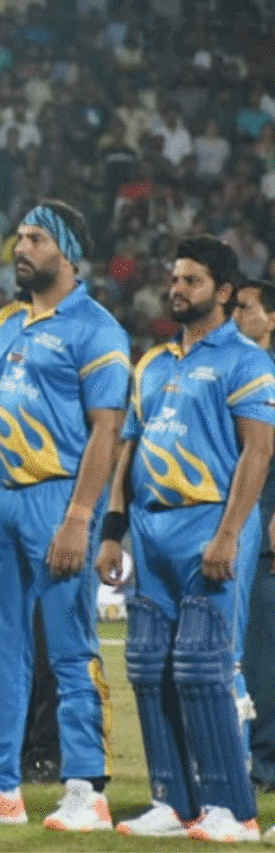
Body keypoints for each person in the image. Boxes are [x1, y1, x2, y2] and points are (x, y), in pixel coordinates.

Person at [0, 200, 130, 829]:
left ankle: (86, 785)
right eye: (19, 236)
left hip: (57, 497)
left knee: (70, 647)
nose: (21, 247)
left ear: (67, 251)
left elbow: (107, 431)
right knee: (0, 647)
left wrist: (80, 516)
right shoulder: (8, 323)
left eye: (36, 239)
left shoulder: (98, 329)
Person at [96, 237, 275, 842]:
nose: (178, 289)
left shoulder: (247, 361)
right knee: (150, 667)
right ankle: (173, 802)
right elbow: (131, 449)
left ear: (224, 292)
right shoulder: (153, 363)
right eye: (175, 279)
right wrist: (114, 531)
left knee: (206, 666)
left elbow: (258, 451)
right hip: (150, 524)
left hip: (209, 523)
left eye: (192, 281)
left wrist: (229, 533)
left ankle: (234, 810)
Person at [232, 280, 275, 791]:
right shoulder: (227, 370)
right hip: (228, 529)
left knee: (260, 657)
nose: (237, 315)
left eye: (247, 307)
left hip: (262, 534)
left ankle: (261, 765)